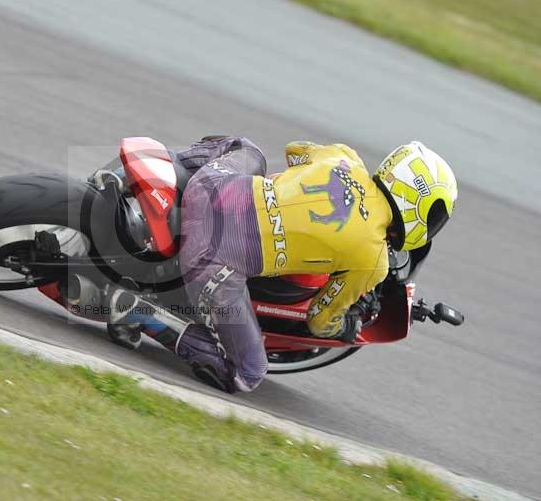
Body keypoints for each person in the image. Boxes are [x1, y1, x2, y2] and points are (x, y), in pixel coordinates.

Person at [107, 136, 458, 392]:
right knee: (248, 372)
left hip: (210, 188)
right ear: (420, 209)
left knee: (247, 148)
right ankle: (139, 313)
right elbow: (321, 320)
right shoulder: (373, 260)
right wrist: (346, 326)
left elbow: (293, 150)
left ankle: (149, 171)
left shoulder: (344, 157)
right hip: (211, 260)